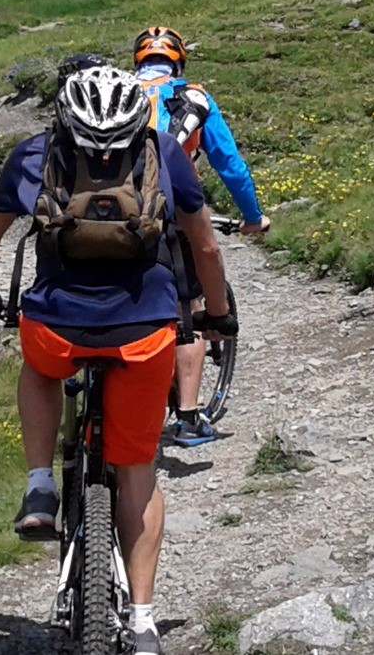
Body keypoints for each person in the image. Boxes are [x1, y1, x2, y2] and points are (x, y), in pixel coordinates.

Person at [0, 60, 236, 655]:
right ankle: (141, 623)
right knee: (137, 469)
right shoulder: (165, 152)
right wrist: (217, 315)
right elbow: (206, 247)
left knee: (38, 366)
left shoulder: (32, 155)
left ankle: (40, 486)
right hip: (145, 337)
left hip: (57, 328)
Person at [132, 26, 271, 447]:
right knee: (188, 307)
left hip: (112, 209)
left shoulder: (116, 95)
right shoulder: (192, 98)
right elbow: (230, 166)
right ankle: (188, 418)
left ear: (137, 62)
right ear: (179, 61)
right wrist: (253, 216)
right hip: (173, 208)